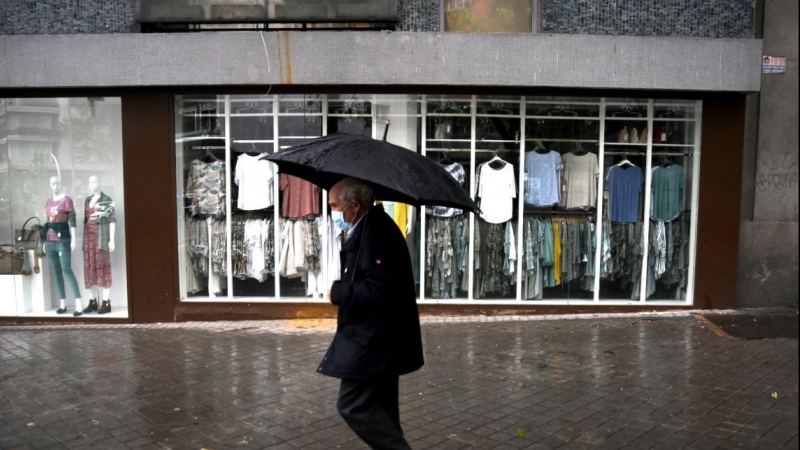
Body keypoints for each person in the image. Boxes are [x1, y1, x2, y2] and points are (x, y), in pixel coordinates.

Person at [318, 177, 424, 450]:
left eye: (334, 206)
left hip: (374, 339)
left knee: (351, 404)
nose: (332, 212)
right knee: (383, 408)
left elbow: (381, 291)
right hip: (381, 337)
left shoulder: (376, 233)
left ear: (354, 205)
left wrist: (338, 293)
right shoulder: (367, 228)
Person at [42, 176, 84, 316]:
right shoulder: (48, 201)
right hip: (49, 241)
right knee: (56, 271)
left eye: (58, 183)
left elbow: (72, 221)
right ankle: (62, 303)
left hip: (63, 240)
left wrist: (73, 240)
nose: (56, 186)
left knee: (66, 269)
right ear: (50, 185)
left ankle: (79, 304)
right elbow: (47, 220)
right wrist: (44, 241)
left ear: (61, 184)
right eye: (53, 183)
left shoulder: (67, 200)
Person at [82, 175, 116, 314]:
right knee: (90, 269)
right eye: (90, 182)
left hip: (101, 238)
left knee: (103, 268)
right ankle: (93, 300)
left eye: (94, 181)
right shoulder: (87, 200)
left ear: (99, 182)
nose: (92, 184)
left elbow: (112, 219)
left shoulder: (106, 199)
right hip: (88, 239)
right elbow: (85, 220)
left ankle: (106, 301)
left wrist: (112, 239)